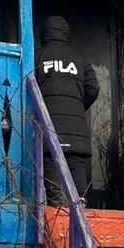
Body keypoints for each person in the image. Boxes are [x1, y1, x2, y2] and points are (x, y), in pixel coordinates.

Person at [34, 15, 99, 206]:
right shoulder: (79, 58)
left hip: (48, 121)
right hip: (75, 124)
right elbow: (93, 88)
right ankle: (80, 202)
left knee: (49, 157)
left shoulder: (38, 56)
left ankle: (55, 202)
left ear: (45, 34)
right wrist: (78, 105)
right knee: (75, 160)